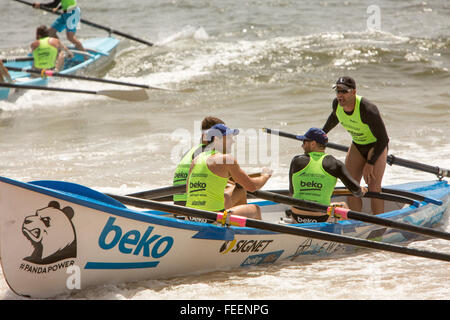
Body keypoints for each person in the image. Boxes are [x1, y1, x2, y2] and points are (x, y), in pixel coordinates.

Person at [322, 76, 389, 214]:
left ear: (353, 92)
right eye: (338, 91)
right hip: (358, 145)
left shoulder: (367, 109)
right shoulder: (337, 104)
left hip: (376, 146)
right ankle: (355, 223)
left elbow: (383, 139)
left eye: (344, 91)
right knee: (351, 186)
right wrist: (321, 135)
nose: (340, 95)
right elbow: (335, 118)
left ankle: (380, 226)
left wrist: (370, 163)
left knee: (374, 187)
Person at [186, 123, 272, 220]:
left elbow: (188, 190)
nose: (233, 141)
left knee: (239, 190)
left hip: (191, 216)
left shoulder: (196, 159)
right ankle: (243, 232)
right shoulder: (226, 160)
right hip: (213, 219)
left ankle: (235, 227)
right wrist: (265, 176)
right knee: (255, 209)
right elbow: (252, 186)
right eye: (229, 137)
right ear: (216, 139)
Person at [288, 127, 367, 223]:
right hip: (321, 218)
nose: (302, 146)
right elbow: (355, 191)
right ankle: (351, 232)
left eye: (304, 142)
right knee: (343, 205)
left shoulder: (296, 161)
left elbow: (292, 192)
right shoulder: (335, 164)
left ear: (313, 144)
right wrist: (361, 190)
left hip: (297, 216)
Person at [173, 116, 225, 206]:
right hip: (193, 205)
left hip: (178, 205)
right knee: (237, 190)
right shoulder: (206, 153)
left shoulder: (189, 151)